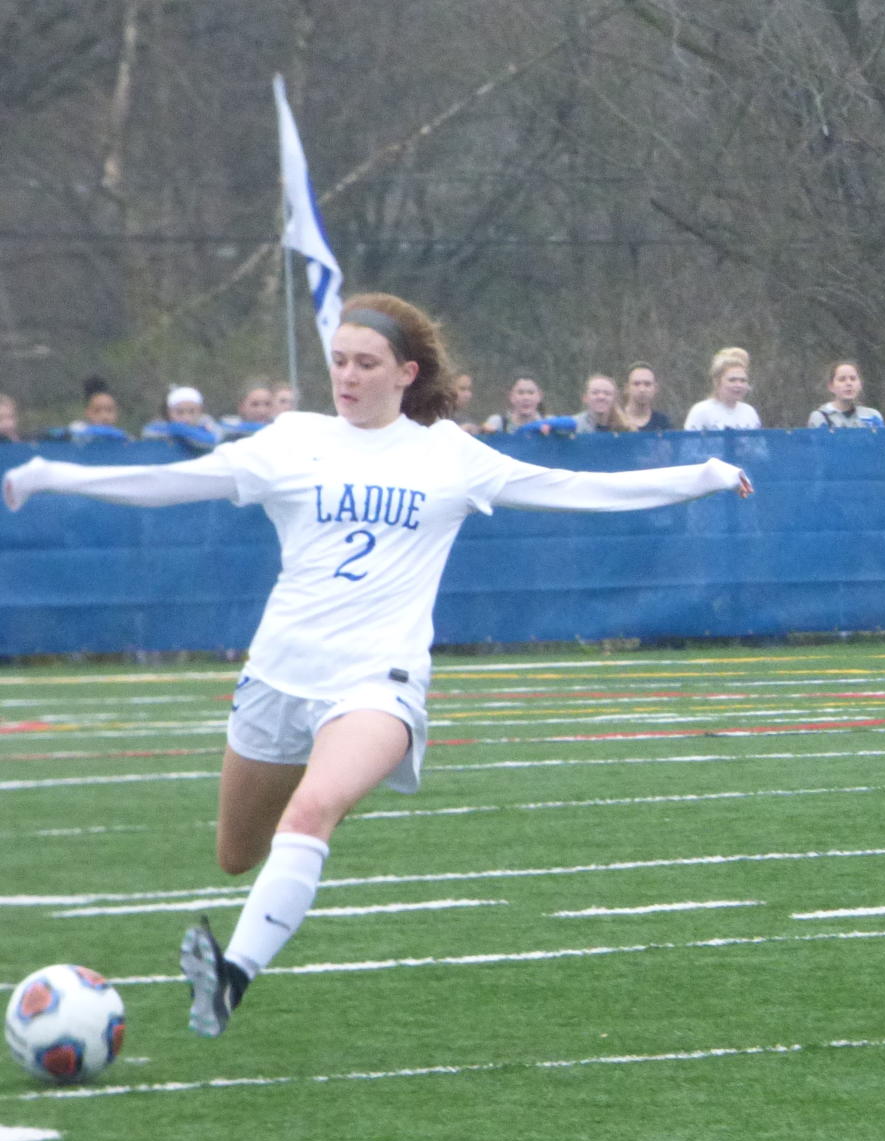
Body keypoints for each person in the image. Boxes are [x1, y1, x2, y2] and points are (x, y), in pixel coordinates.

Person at [3, 291, 751, 1039]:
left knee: (311, 811)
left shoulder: (447, 455)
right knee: (237, 854)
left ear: (406, 372)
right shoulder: (293, 439)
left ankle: (230, 976)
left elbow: (579, 492)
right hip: (277, 678)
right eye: (338, 361)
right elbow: (169, 483)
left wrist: (701, 474)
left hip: (377, 686)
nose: (348, 376)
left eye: (366, 363)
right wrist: (52, 473)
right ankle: (245, 935)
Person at [683, 347, 761, 430]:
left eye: (743, 380)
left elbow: (758, 442)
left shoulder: (749, 412)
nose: (738, 385)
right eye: (732, 380)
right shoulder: (701, 411)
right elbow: (690, 442)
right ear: (717, 382)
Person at [141, 385, 222, 453]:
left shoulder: (208, 424)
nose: (186, 417)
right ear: (169, 412)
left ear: (200, 410)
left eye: (192, 412)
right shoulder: (162, 426)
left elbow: (211, 441)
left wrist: (183, 430)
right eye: (179, 412)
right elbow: (148, 432)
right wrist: (174, 429)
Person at [807, 360, 883, 429]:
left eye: (853, 379)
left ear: (860, 384)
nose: (849, 383)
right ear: (831, 386)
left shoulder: (872, 416)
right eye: (842, 379)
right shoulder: (820, 417)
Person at [482, 374, 551, 434]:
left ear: (540, 396)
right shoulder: (497, 423)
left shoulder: (550, 423)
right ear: (511, 396)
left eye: (531, 393)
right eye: (520, 393)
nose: (526, 398)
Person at [622, 363, 672, 432]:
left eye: (647, 384)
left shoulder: (663, 422)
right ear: (626, 388)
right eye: (636, 384)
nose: (642, 389)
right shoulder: (615, 421)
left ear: (656, 388)